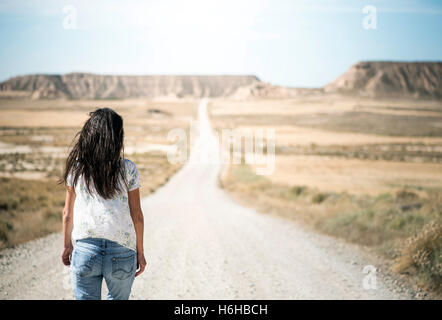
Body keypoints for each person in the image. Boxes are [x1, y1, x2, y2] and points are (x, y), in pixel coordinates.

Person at [59, 107, 147, 300]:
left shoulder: (77, 169)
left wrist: (67, 245)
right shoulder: (128, 169)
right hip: (123, 251)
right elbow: (137, 215)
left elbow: (67, 213)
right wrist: (140, 252)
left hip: (85, 252)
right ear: (117, 138)